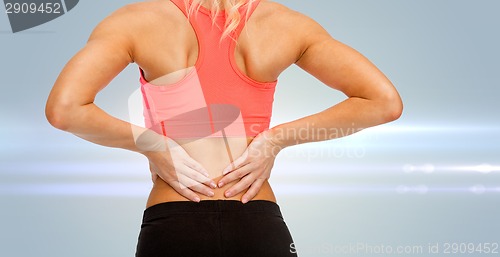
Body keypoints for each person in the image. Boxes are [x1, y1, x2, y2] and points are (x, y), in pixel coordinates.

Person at [45, 0, 403, 256]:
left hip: (174, 224)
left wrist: (153, 144)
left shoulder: (138, 19)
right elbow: (383, 102)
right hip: (258, 222)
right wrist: (274, 140)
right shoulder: (286, 23)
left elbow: (65, 110)